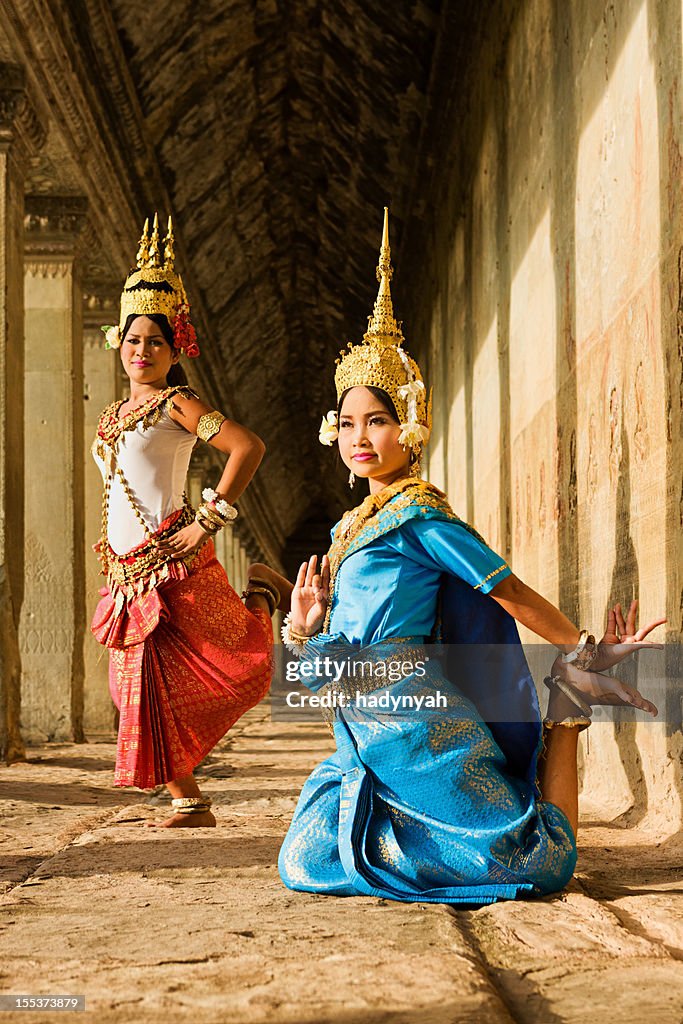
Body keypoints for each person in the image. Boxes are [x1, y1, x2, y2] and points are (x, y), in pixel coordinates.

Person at [256, 208, 664, 904]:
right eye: (349, 422)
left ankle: (567, 709)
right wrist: (305, 625)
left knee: (536, 866)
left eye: (378, 420)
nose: (362, 437)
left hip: (414, 718)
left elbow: (508, 591)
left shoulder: (419, 515)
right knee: (307, 859)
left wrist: (582, 649)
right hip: (360, 723)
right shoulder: (349, 528)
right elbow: (328, 665)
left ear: (409, 425)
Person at [91, 214, 279, 827]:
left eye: (156, 342)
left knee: (235, 660)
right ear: (116, 340)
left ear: (175, 351)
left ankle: (264, 599)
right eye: (133, 339)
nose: (142, 351)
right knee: (134, 686)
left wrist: (208, 519)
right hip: (126, 568)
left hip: (171, 555)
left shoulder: (177, 405)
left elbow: (246, 447)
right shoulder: (114, 413)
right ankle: (188, 799)